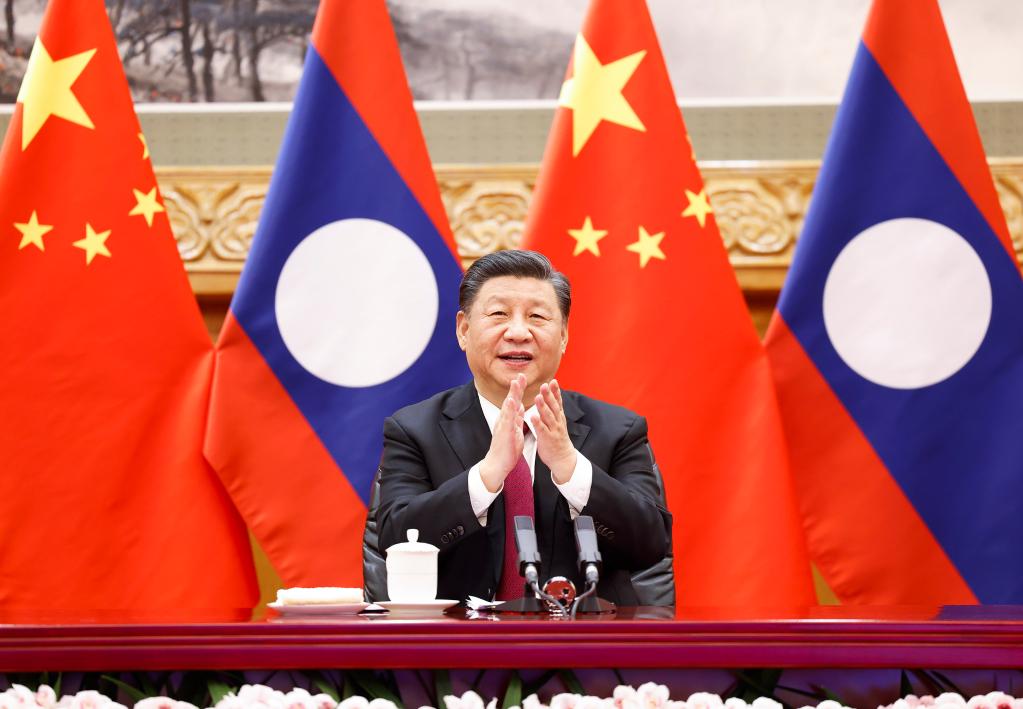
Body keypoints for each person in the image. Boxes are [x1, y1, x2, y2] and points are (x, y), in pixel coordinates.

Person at [376, 249, 671, 605]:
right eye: (499, 314)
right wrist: (485, 476)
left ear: (563, 336)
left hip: (584, 647)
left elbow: (651, 546)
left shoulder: (618, 430)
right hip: (459, 648)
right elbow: (394, 541)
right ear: (464, 330)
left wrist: (569, 466)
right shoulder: (413, 430)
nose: (518, 332)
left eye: (537, 317)